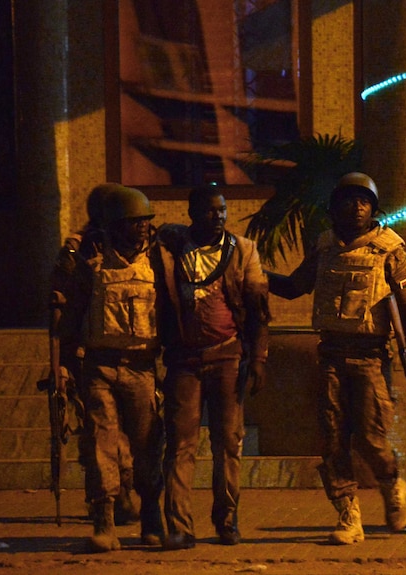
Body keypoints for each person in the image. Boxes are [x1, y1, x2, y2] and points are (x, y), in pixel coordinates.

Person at [267, 172, 406, 545]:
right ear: (334, 208)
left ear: (373, 208)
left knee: (372, 439)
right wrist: (253, 272)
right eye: (348, 201)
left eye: (363, 201)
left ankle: (391, 482)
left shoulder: (390, 251)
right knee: (333, 440)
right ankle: (348, 515)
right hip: (331, 356)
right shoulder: (324, 248)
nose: (356, 208)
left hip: (370, 358)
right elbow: (293, 287)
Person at [153, 185, 271, 550]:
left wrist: (259, 359)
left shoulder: (243, 250)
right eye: (209, 211)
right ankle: (179, 526)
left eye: (222, 210)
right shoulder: (171, 249)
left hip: (227, 358)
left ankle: (226, 520)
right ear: (192, 214)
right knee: (180, 445)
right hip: (183, 361)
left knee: (228, 445)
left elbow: (258, 308)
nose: (218, 217)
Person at [51, 183, 165, 552]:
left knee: (147, 446)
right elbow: (71, 318)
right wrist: (65, 366)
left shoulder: (159, 264)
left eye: (146, 222)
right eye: (134, 223)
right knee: (101, 445)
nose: (143, 229)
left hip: (142, 368)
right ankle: (104, 521)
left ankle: (151, 517)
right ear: (116, 225)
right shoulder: (92, 267)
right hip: (100, 368)